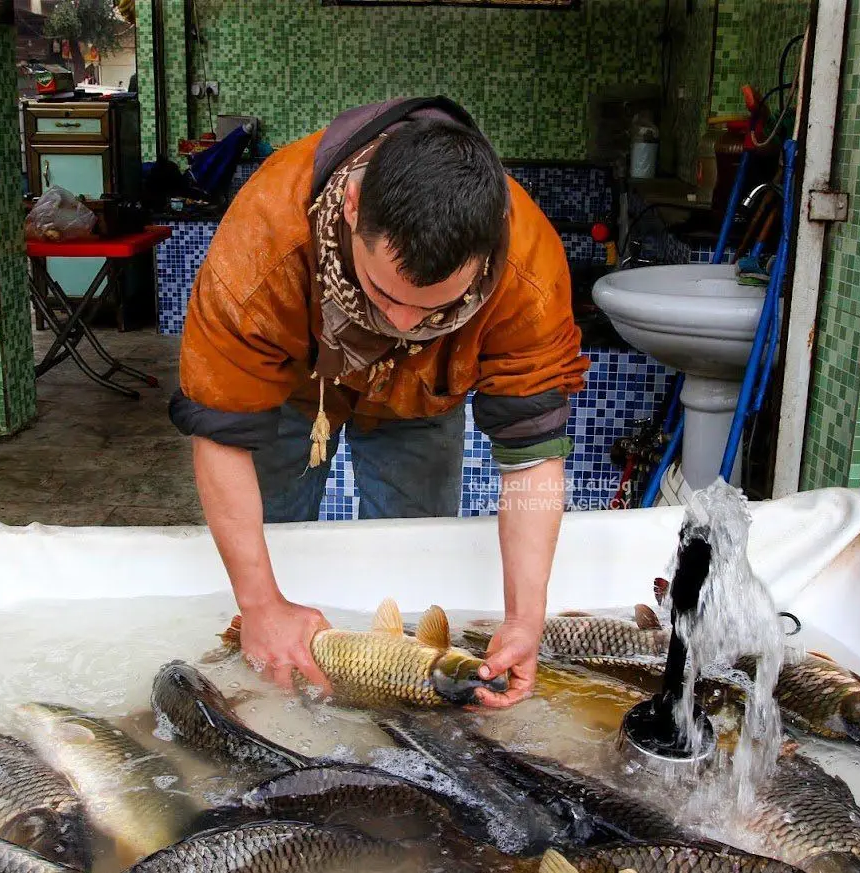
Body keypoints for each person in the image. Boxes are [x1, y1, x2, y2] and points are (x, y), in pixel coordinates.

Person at [170, 97, 587, 709]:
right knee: (274, 544)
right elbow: (222, 432)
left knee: (415, 562)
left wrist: (526, 618)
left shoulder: (528, 267)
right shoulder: (264, 236)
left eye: (435, 310)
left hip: (425, 399)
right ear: (353, 206)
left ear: (489, 252)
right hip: (292, 392)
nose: (403, 325)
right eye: (386, 295)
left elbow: (531, 457)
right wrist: (260, 605)